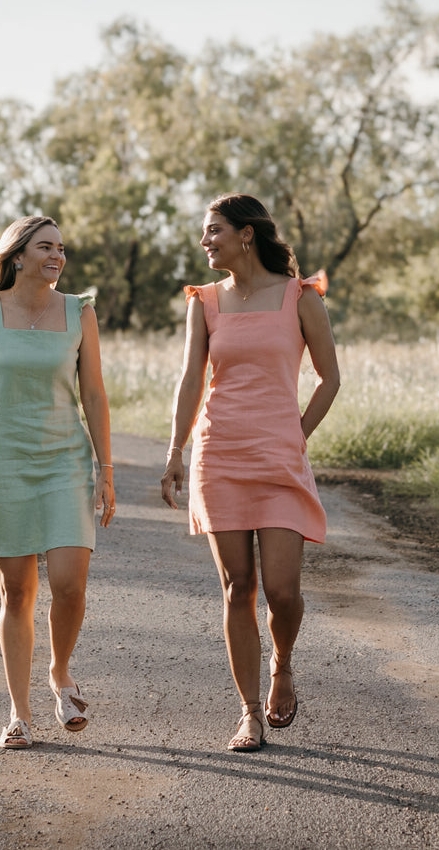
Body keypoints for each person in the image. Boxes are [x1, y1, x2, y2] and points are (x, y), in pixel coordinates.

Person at [161, 193, 340, 752]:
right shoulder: (205, 301)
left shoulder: (299, 297)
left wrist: (297, 435)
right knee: (239, 586)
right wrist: (175, 451)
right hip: (221, 457)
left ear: (246, 234)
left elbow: (329, 379)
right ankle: (247, 713)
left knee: (283, 592)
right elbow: (191, 380)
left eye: (213, 230)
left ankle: (282, 664)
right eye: (202, 232)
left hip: (279, 458)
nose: (204, 241)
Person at [0, 215, 116, 750]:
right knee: (17, 590)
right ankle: (19, 715)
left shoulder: (79, 311)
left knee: (70, 583)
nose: (58, 256)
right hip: (0, 461)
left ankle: (60, 674)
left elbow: (94, 394)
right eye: (46, 247)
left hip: (65, 458)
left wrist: (105, 469)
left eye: (62, 249)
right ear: (17, 255)